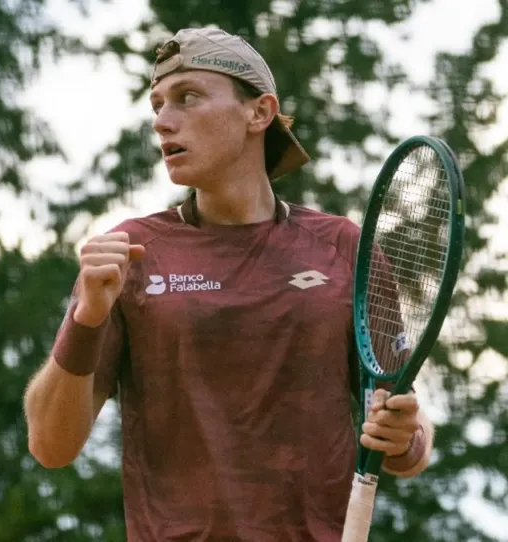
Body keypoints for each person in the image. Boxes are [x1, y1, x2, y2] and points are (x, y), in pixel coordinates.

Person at [23, 27, 434, 541]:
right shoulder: (127, 253)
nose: (163, 121)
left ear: (258, 112)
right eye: (157, 105)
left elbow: (405, 437)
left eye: (187, 98)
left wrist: (406, 440)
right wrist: (86, 320)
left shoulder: (343, 247)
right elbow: (50, 446)